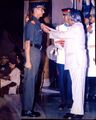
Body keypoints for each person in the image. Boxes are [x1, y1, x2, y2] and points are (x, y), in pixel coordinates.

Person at [49, 8, 87, 119]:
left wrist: (49, 31)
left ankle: (78, 113)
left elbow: (62, 34)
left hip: (78, 62)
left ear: (73, 17)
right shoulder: (75, 28)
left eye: (69, 16)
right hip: (75, 62)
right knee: (76, 88)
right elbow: (68, 43)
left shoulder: (77, 26)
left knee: (78, 88)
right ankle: (75, 110)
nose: (67, 19)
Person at [22, 3, 49, 117]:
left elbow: (44, 28)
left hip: (36, 52)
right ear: (36, 10)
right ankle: (27, 110)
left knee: (33, 80)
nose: (43, 12)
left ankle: (28, 107)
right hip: (32, 52)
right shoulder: (32, 24)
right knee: (30, 81)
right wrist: (28, 61)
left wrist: (42, 25)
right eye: (42, 10)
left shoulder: (37, 23)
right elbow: (27, 43)